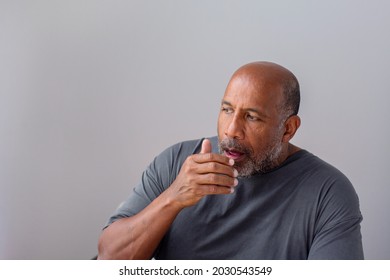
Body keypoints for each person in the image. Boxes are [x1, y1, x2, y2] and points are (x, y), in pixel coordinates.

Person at [97, 61, 364, 260]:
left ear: (288, 129)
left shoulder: (328, 192)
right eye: (227, 110)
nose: (231, 130)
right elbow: (109, 259)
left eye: (251, 117)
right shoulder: (177, 162)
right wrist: (174, 198)